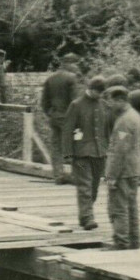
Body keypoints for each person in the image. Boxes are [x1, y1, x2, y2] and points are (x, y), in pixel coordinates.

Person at [61, 76, 109, 230]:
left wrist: (109, 150)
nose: (99, 95)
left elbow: (106, 130)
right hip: (81, 154)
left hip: (99, 153)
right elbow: (67, 130)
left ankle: (84, 215)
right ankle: (88, 217)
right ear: (91, 89)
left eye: (102, 93)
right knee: (85, 186)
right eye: (98, 92)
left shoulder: (103, 105)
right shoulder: (76, 105)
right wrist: (67, 156)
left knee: (94, 187)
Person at [104, 85, 140, 249]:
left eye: (111, 101)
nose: (109, 105)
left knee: (118, 207)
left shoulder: (124, 121)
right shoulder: (134, 116)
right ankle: (134, 240)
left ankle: (121, 241)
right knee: (131, 206)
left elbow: (119, 150)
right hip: (133, 168)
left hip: (123, 171)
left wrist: (112, 175)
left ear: (120, 100)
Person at [41, 52, 82, 183]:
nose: (77, 67)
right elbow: (75, 101)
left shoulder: (50, 78)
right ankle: (75, 176)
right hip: (69, 117)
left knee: (56, 147)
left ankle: (58, 175)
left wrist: (50, 113)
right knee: (76, 144)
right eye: (76, 64)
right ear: (70, 63)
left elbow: (44, 102)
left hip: (54, 116)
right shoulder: (72, 78)